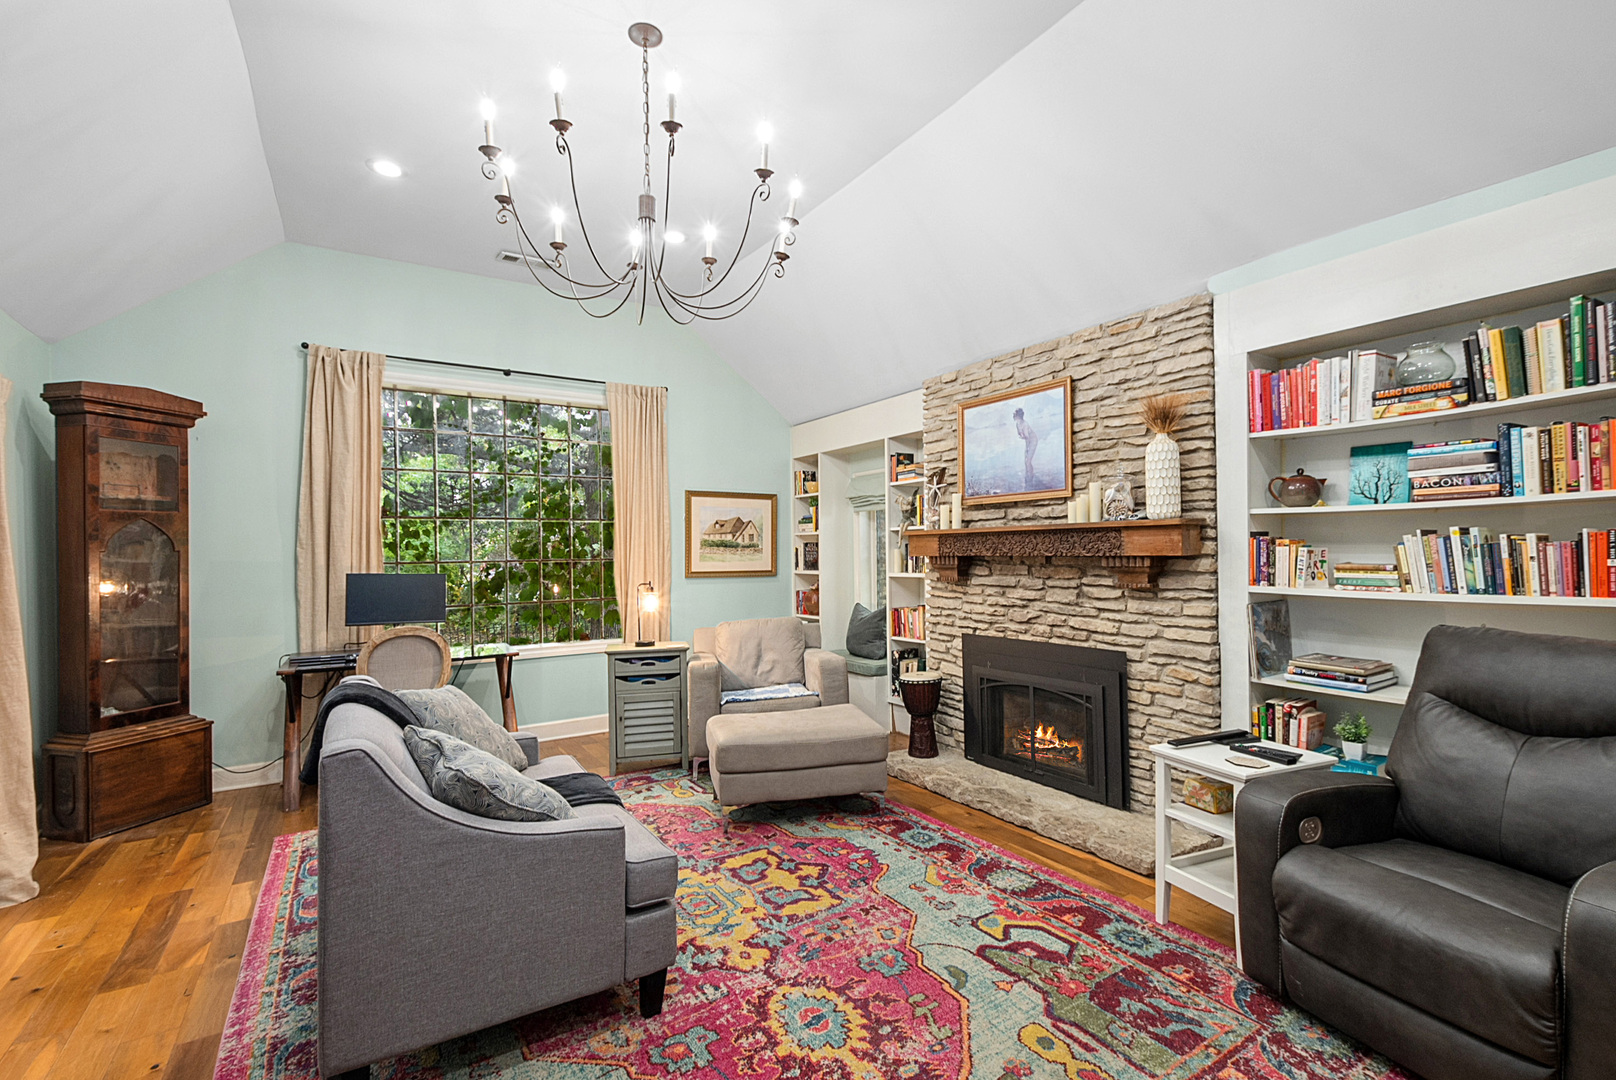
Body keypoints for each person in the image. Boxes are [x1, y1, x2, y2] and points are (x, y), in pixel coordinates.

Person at [1013, 407, 1038, 489]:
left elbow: (1027, 437)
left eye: (1015, 415)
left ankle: (1030, 478)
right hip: (1027, 441)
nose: (1014, 416)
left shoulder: (1025, 424)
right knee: (1026, 460)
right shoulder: (1017, 424)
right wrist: (1022, 436)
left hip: (1032, 441)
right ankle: (1028, 476)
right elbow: (1020, 434)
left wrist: (1027, 446)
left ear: (1019, 416)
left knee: (1028, 460)